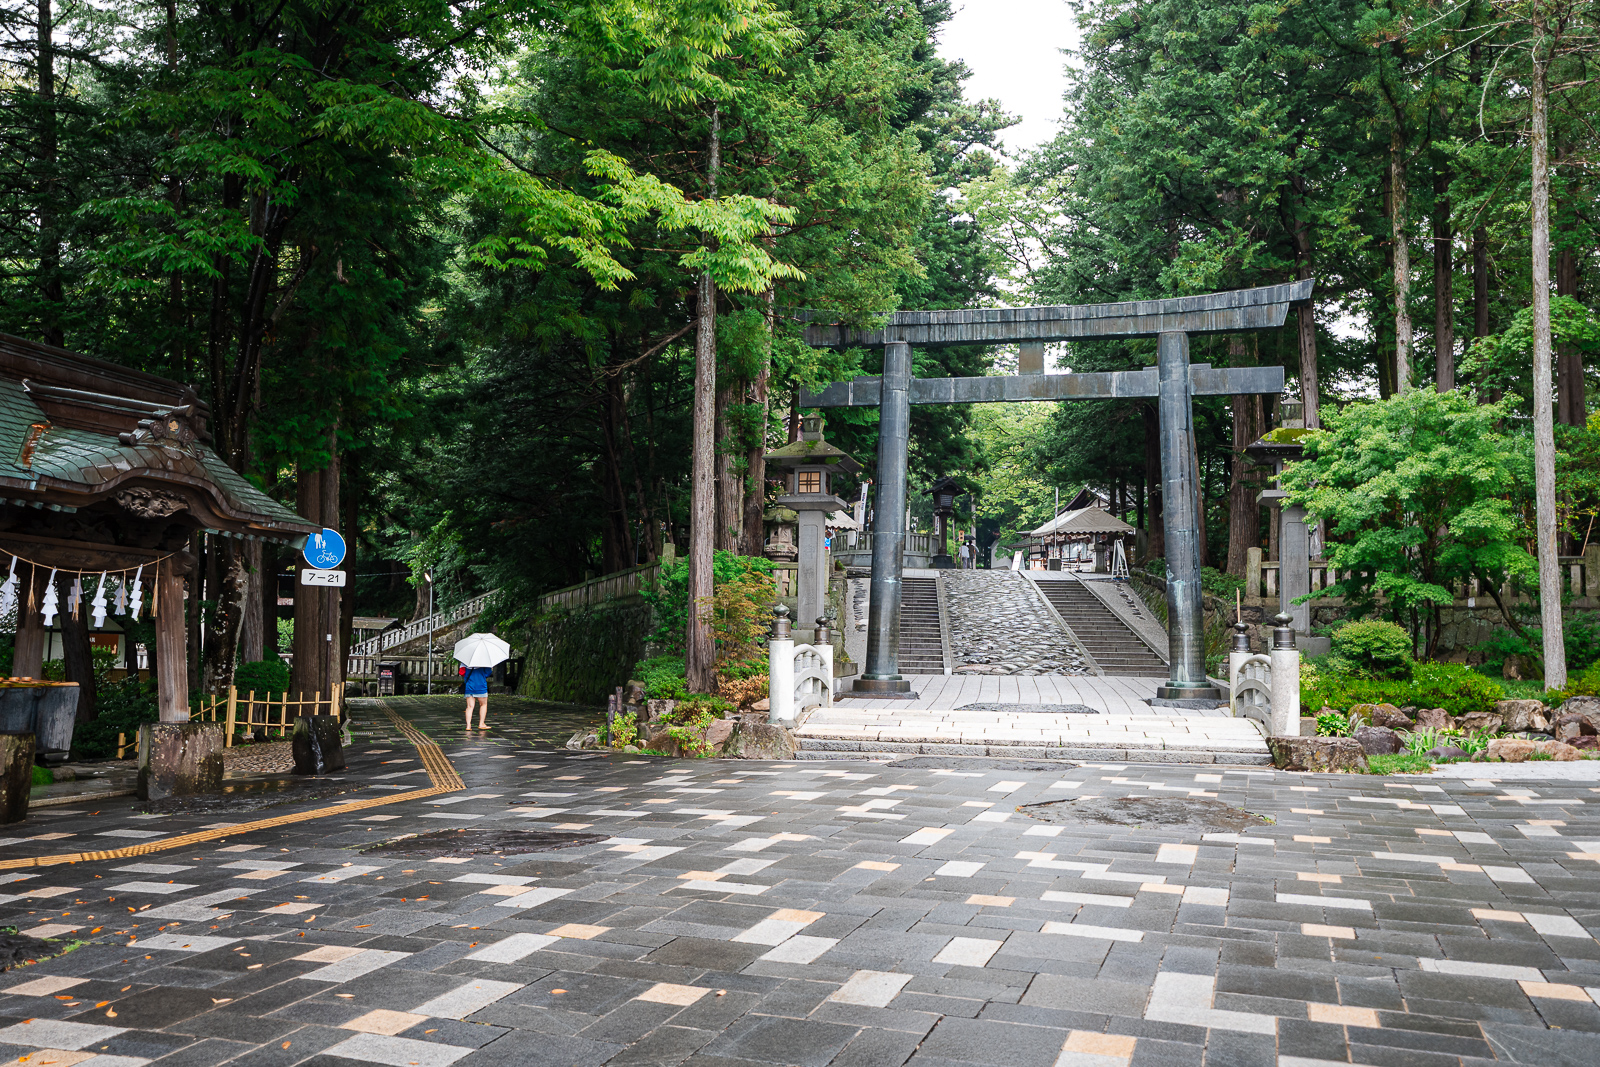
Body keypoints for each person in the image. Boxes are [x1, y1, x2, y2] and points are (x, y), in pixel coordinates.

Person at [462, 663, 493, 728]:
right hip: (481, 685)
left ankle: (468, 725)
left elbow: (462, 672)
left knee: (469, 706)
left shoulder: (466, 661)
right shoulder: (484, 661)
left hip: (469, 686)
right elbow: (488, 673)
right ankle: (481, 724)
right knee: (483, 705)